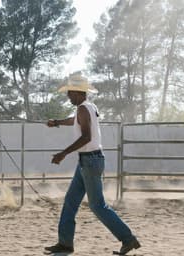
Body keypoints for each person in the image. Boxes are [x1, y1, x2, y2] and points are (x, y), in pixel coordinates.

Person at [43, 73, 141, 255]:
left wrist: (63, 153)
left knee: (97, 206)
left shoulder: (82, 108)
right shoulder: (88, 107)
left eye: (70, 92)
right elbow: (75, 122)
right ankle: (65, 243)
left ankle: (128, 239)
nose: (68, 96)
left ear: (79, 93)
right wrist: (56, 122)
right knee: (71, 202)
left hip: (89, 161)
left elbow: (86, 136)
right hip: (88, 161)